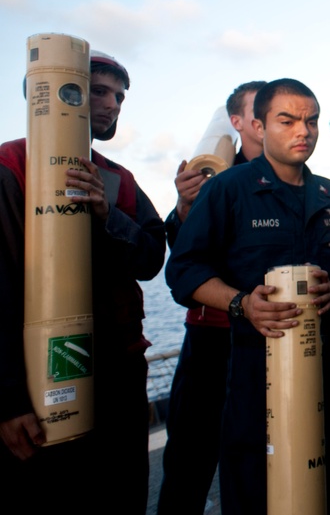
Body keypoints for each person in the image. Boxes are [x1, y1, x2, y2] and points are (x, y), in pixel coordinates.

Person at [166, 78, 330, 515]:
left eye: (311, 121)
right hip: (252, 363)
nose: (304, 130)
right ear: (259, 126)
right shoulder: (228, 190)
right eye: (288, 120)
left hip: (325, 360)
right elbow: (185, 271)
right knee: (254, 482)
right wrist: (243, 303)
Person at [0, 50, 166, 513]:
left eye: (119, 95)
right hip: (38, 379)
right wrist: (9, 401)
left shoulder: (118, 179)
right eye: (98, 91)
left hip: (119, 374)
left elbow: (152, 259)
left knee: (121, 493)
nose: (113, 104)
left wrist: (105, 215)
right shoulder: (9, 166)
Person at [158, 80, 266, 515]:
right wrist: (185, 208)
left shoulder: (296, 178)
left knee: (258, 458)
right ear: (236, 122)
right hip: (210, 335)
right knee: (189, 455)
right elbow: (183, 259)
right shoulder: (209, 176)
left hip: (266, 333)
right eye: (258, 109)